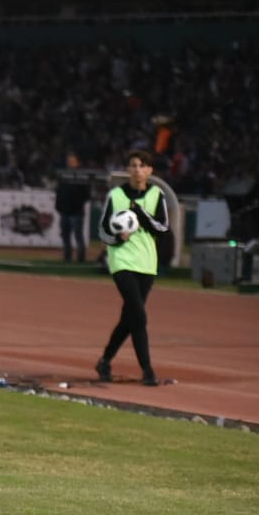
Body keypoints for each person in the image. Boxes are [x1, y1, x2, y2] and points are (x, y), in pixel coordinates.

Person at [94, 149, 169, 387]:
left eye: (142, 165)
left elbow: (162, 228)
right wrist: (118, 239)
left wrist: (141, 214)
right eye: (133, 165)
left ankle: (105, 360)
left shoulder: (157, 195)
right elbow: (103, 231)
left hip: (146, 263)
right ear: (127, 170)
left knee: (130, 317)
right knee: (139, 314)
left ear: (150, 170)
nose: (137, 169)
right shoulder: (115, 195)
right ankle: (147, 369)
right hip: (121, 261)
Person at [55, 153, 92, 263]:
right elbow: (59, 192)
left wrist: (77, 203)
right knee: (65, 236)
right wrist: (59, 206)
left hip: (76, 212)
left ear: (77, 162)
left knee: (78, 236)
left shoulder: (82, 176)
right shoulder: (64, 175)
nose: (70, 163)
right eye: (69, 161)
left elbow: (86, 195)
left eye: (72, 161)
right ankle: (67, 258)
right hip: (64, 211)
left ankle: (81, 258)